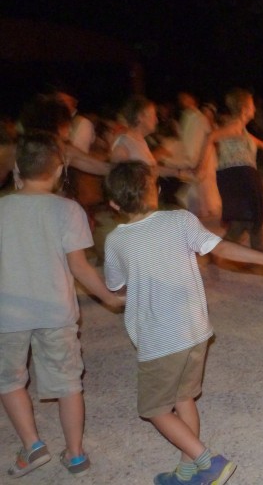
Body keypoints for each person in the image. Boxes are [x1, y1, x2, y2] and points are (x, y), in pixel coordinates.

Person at [103, 161, 263, 485]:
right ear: (156, 189)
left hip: (159, 340)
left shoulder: (116, 241)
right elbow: (224, 248)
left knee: (153, 409)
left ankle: (209, 461)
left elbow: (116, 285)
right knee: (183, 399)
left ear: (113, 204)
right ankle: (186, 472)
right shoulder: (180, 220)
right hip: (194, 332)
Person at [0, 131, 124, 479]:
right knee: (69, 382)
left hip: (7, 314)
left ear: (16, 172)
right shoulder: (67, 210)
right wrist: (109, 296)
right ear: (58, 172)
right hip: (55, 313)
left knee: (8, 380)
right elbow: (80, 266)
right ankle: (75, 453)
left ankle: (33, 445)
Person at [201, 88, 263, 251]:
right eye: (252, 105)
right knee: (252, 220)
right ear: (245, 108)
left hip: (241, 176)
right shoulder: (234, 126)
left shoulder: (240, 127)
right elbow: (211, 137)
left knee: (244, 222)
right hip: (240, 177)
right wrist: (201, 167)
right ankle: (258, 256)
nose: (255, 109)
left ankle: (220, 253)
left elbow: (246, 138)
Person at [110, 95, 190, 206]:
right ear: (140, 116)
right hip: (137, 209)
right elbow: (118, 180)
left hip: (147, 205)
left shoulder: (140, 141)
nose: (156, 120)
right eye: (153, 115)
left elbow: (151, 169)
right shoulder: (124, 143)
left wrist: (179, 173)